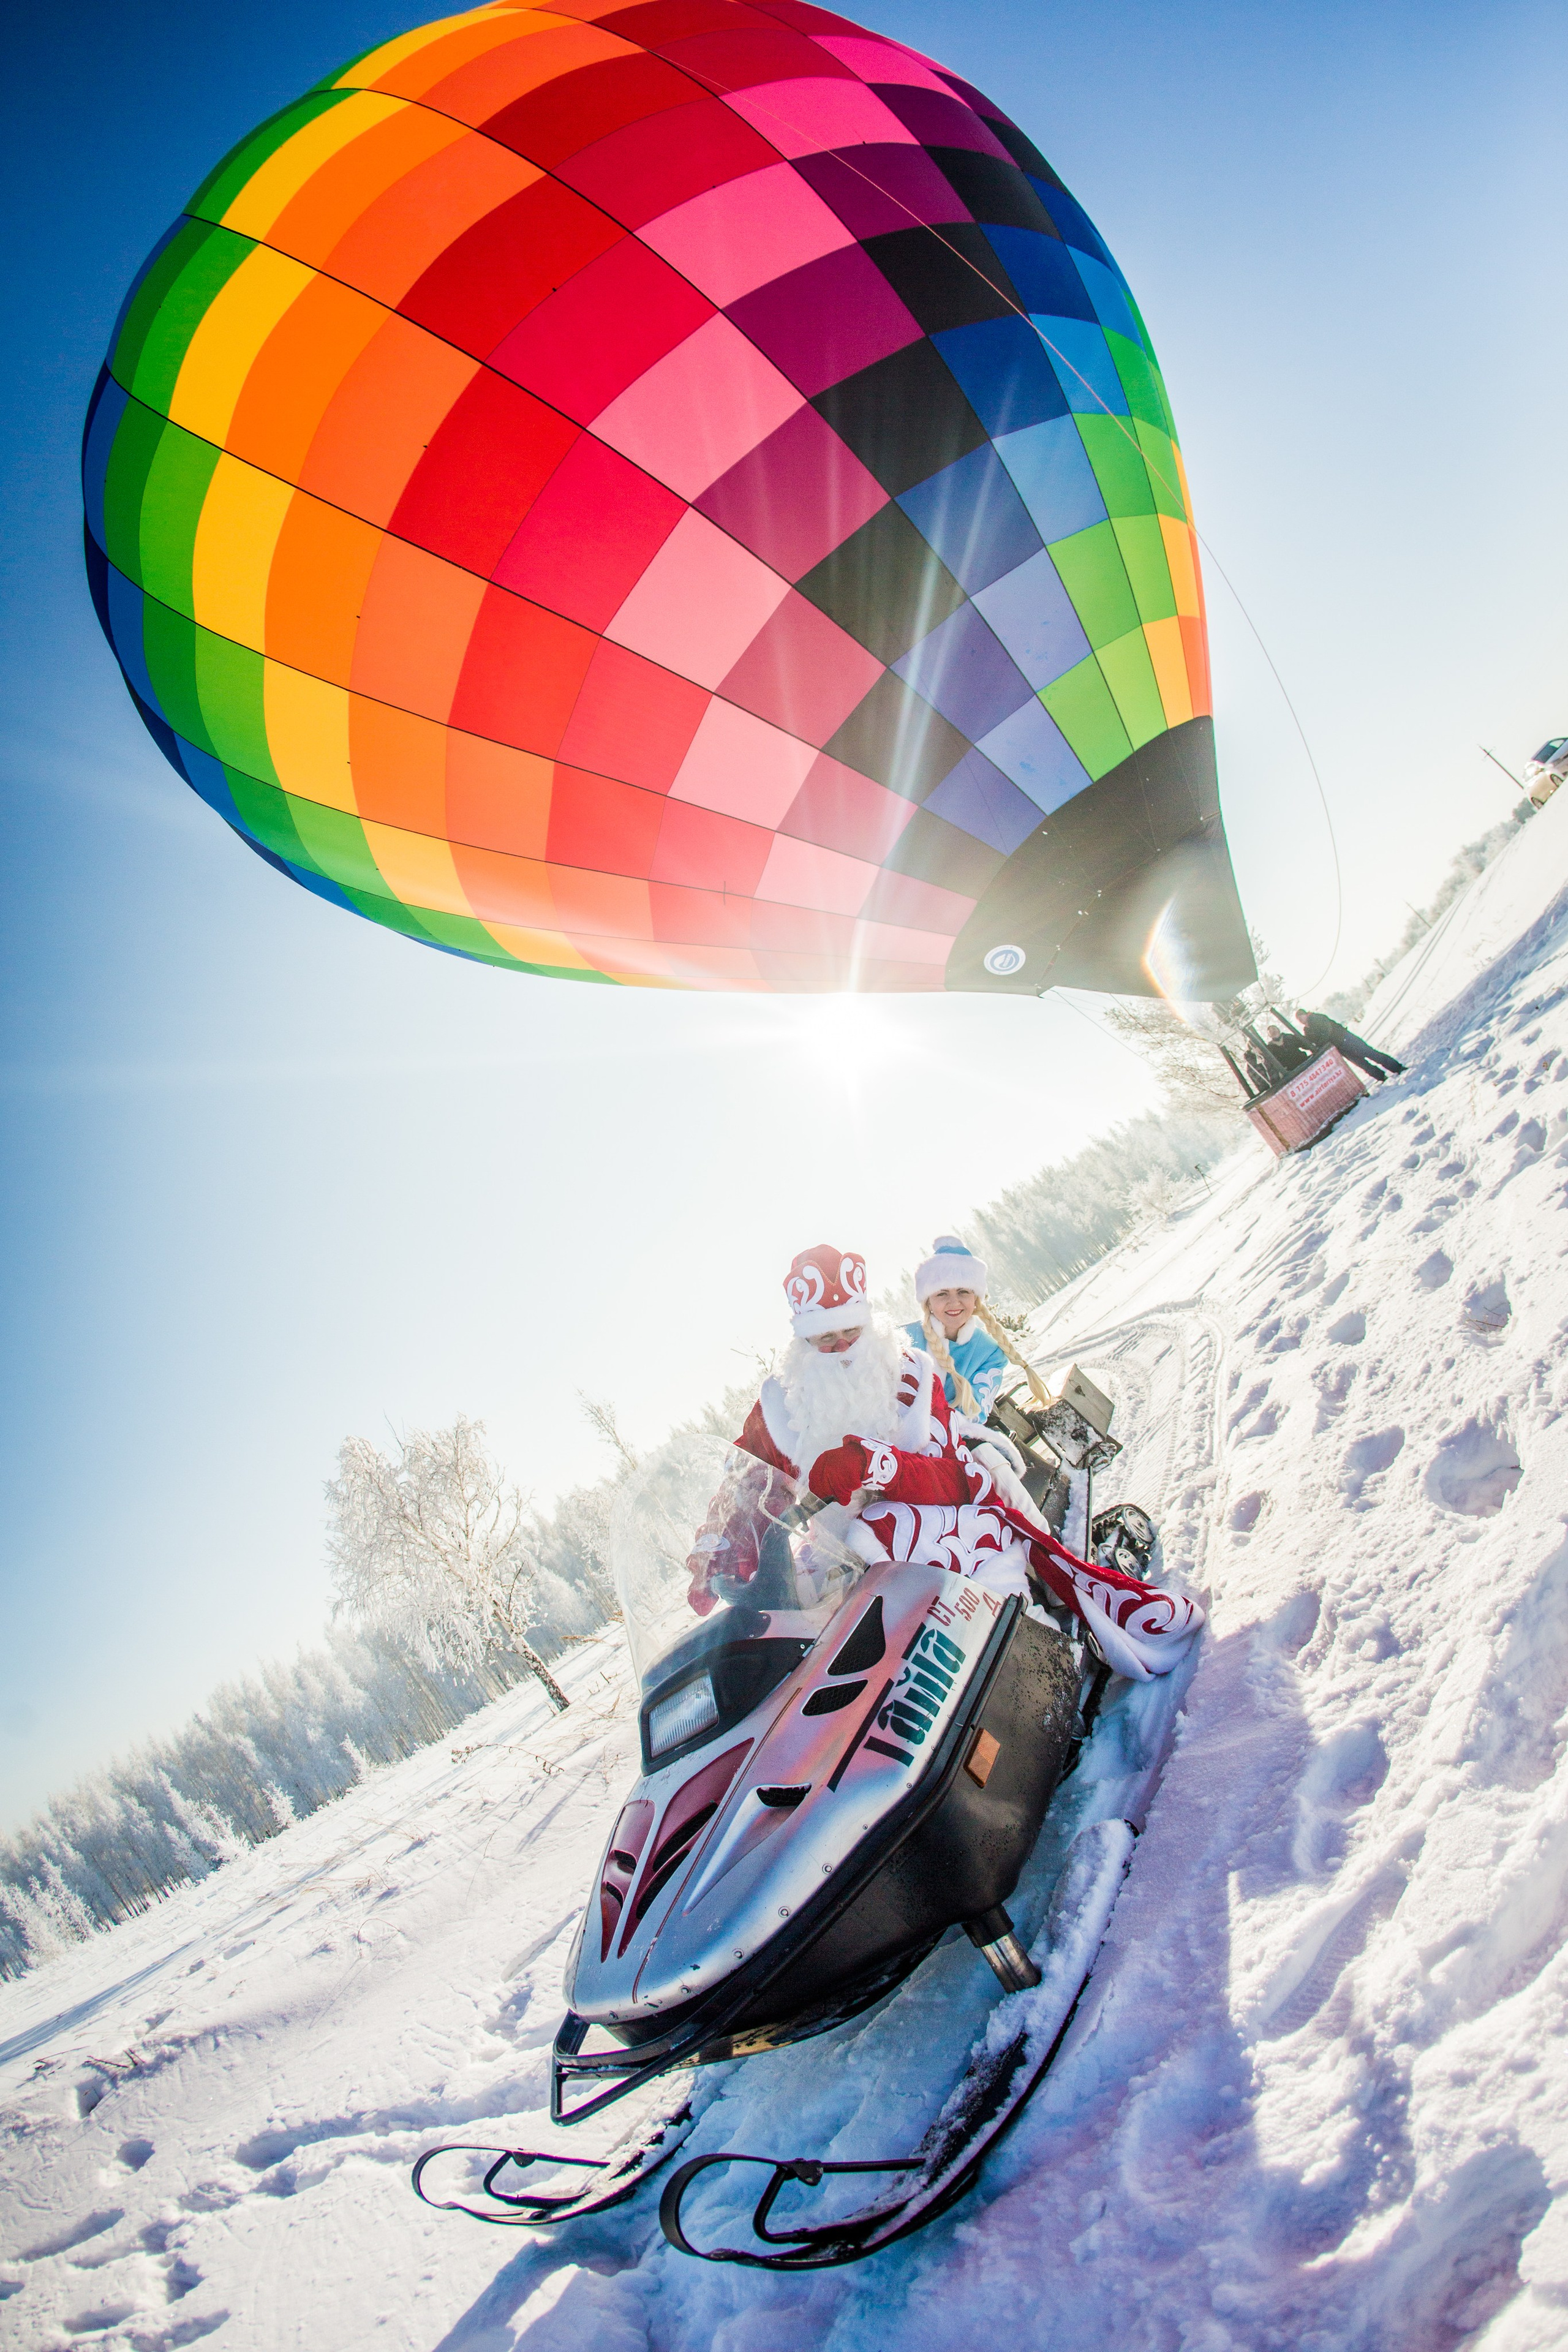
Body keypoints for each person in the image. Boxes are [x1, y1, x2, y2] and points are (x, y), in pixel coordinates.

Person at [685, 1243, 1204, 1681]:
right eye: (826, 1337)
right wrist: (720, 1544)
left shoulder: (912, 1376)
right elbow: (747, 1486)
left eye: (852, 1332)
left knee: (998, 1588)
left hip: (945, 1525)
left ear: (870, 1325)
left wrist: (875, 1465)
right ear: (803, 1341)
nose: (843, 1347)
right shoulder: (780, 1407)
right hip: (842, 1556)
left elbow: (957, 1481)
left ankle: (1051, 1644)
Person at [902, 1236, 1016, 1420]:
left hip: (959, 1439)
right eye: (942, 1294)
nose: (954, 1303)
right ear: (929, 1302)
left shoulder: (989, 1353)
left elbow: (974, 1412)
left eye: (963, 1291)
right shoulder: (903, 1339)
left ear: (975, 1298)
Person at [1296, 1007, 1406, 1082]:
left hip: (1345, 1038)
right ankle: (1381, 1077)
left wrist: (1323, 1040)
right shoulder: (1307, 1031)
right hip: (1339, 1047)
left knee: (1370, 1053)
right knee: (1361, 1063)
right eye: (1299, 1019)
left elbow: (1327, 1029)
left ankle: (1397, 1067)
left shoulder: (1317, 1018)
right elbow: (1314, 1042)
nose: (1302, 1020)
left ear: (1306, 1014)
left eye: (1302, 1017)